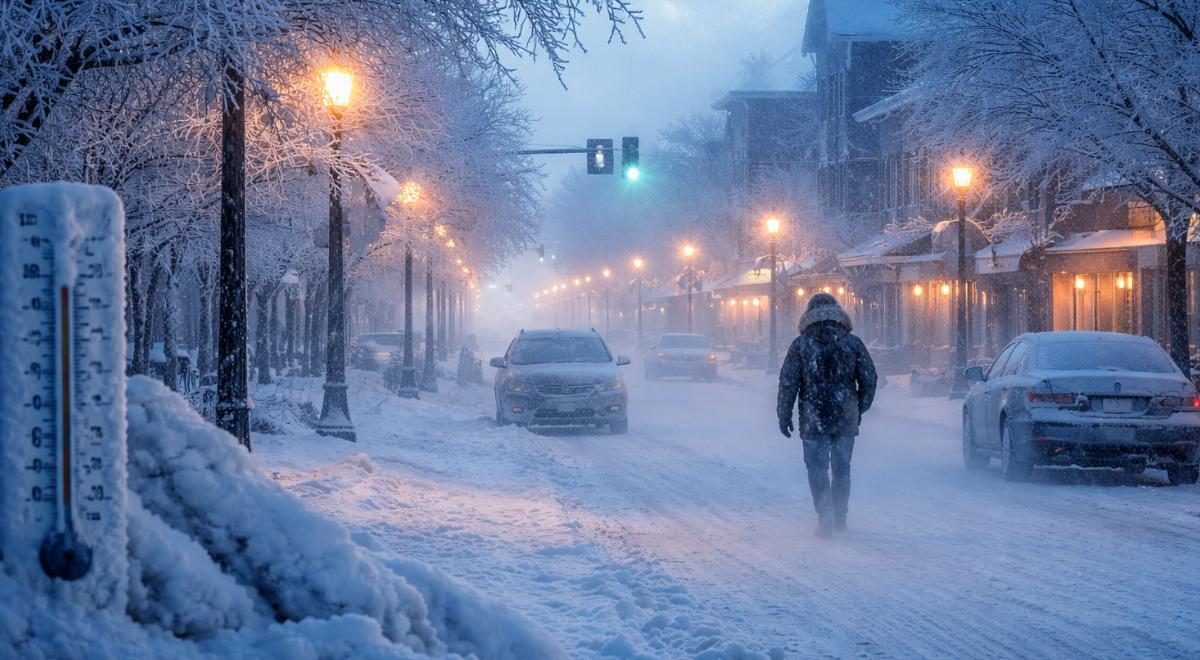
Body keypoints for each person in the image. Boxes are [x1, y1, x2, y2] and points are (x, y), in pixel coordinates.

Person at [777, 292, 877, 538]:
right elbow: (869, 378)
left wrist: (784, 414)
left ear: (808, 315)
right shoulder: (852, 343)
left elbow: (788, 382)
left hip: (813, 416)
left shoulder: (801, 344)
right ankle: (841, 515)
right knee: (842, 468)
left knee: (817, 468)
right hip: (845, 415)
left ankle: (825, 515)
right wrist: (858, 406)